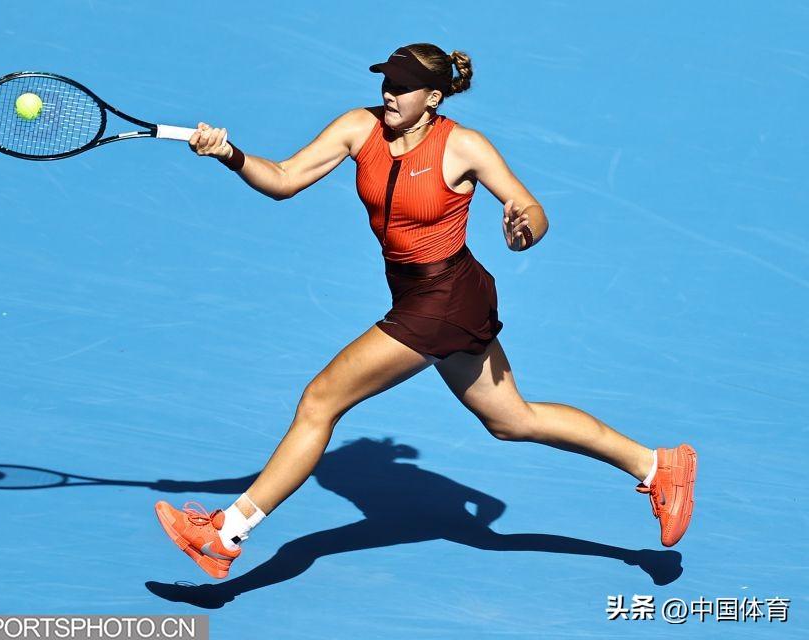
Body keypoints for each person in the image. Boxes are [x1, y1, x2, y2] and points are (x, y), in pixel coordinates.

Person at [153, 43, 697, 581]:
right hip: (417, 294)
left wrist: (523, 230)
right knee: (512, 420)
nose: (389, 94)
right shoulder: (358, 127)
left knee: (321, 400)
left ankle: (226, 533)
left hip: (446, 296)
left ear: (433, 97)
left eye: (403, 87)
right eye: (386, 83)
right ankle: (657, 465)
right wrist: (229, 153)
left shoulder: (463, 146)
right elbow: (283, 178)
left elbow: (532, 209)